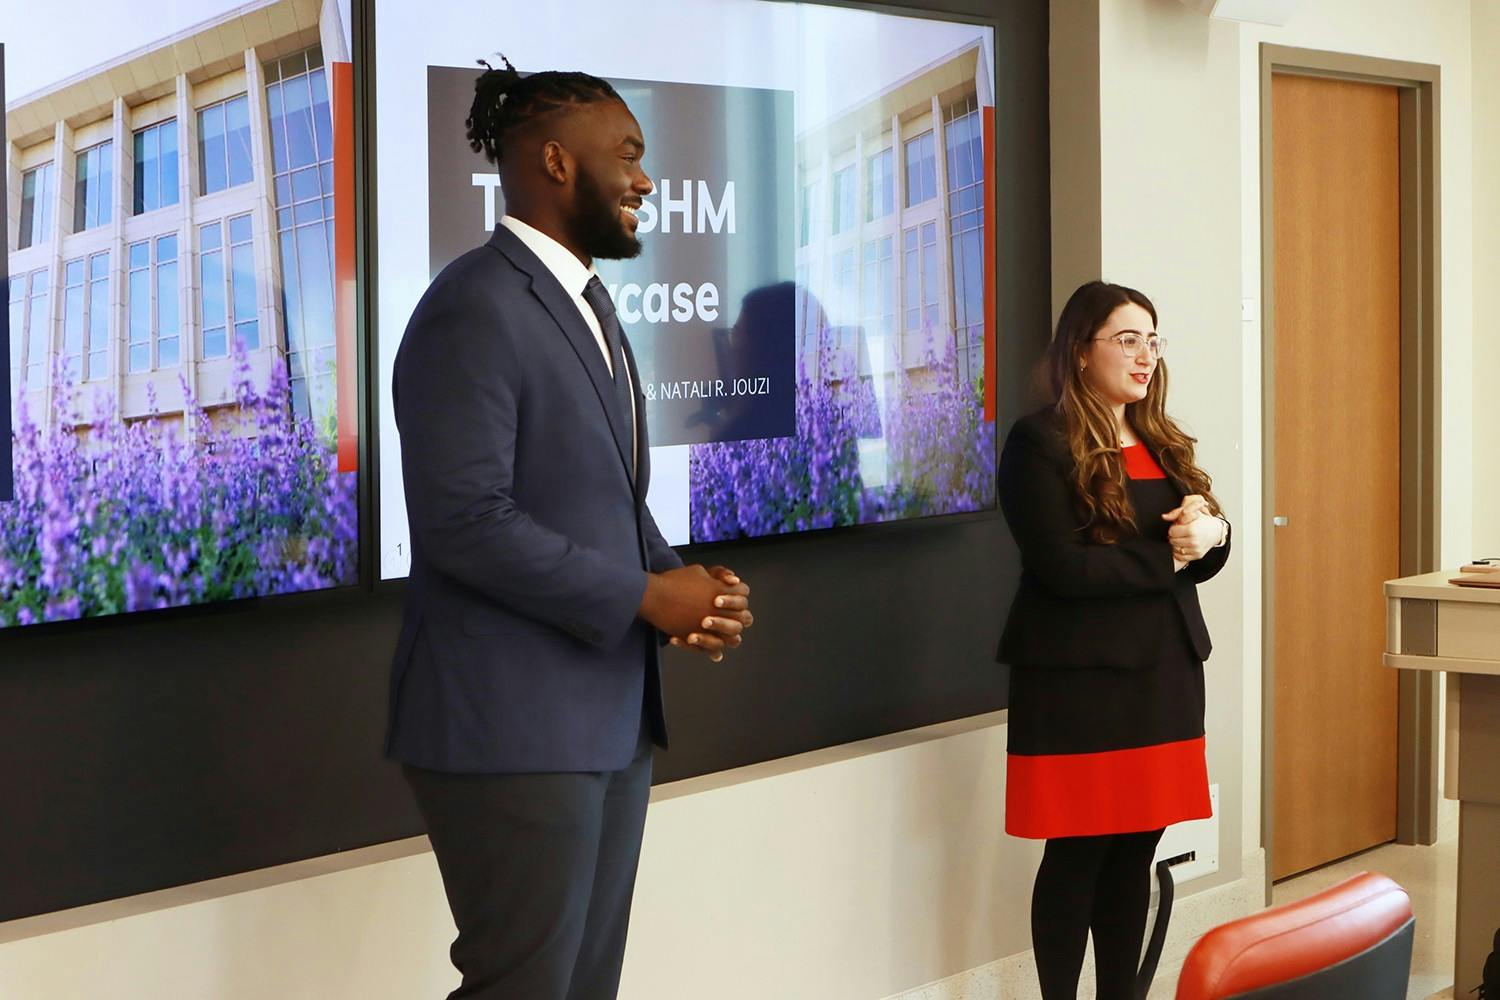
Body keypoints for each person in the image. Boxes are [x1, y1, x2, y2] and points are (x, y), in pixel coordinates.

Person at [387, 56, 754, 999]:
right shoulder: (472, 307)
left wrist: (683, 586)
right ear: (555, 162)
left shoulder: (584, 303)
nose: (646, 179)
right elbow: (464, 521)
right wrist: (643, 594)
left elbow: (601, 494)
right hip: (511, 727)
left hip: (603, 719)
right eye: (627, 154)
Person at [997, 281, 1230, 1000]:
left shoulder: (1161, 440)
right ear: (1079, 349)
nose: (1145, 355)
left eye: (1153, 340)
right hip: (1079, 681)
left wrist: (1214, 534)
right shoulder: (1039, 442)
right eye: (1127, 339)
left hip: (1163, 672)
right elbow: (1061, 568)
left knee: (1135, 852)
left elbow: (1198, 552)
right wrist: (1174, 557)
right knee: (1079, 853)